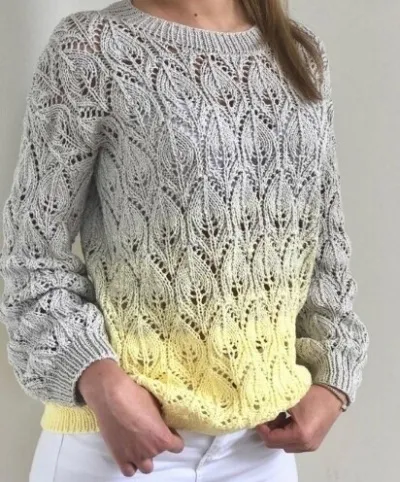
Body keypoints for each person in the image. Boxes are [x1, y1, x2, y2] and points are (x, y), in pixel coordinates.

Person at [0, 0, 369, 481]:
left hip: (261, 450)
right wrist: (102, 382)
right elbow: (30, 253)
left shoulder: (297, 52)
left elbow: (325, 240)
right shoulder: (90, 48)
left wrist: (334, 380)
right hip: (120, 446)